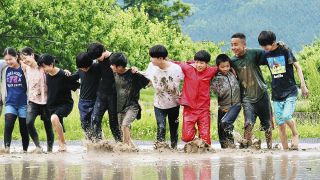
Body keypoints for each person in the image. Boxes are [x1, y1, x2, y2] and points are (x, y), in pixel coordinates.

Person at [258, 30, 309, 150]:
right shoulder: (266, 54)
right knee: (280, 124)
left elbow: (298, 67)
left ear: (273, 42)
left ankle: (295, 133)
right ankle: (285, 151)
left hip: (290, 90)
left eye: (266, 45)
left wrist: (303, 85)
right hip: (276, 93)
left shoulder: (285, 51)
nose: (264, 48)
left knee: (286, 116)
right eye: (262, 46)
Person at [230, 33, 273, 149]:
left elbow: (271, 54)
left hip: (262, 94)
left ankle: (270, 148)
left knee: (267, 125)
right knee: (248, 123)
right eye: (232, 45)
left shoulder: (254, 53)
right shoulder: (232, 61)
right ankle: (247, 148)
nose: (233, 47)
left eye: (236, 44)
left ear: (244, 45)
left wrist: (281, 48)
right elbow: (221, 68)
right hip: (247, 98)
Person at [37, 54, 79, 152]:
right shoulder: (46, 76)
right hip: (52, 105)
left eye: (44, 67)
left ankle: (62, 143)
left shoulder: (64, 75)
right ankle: (61, 143)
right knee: (55, 122)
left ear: (51, 64)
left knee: (54, 118)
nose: (43, 69)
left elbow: (76, 85)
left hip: (65, 104)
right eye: (41, 67)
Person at [176, 50, 218, 145]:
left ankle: (204, 156)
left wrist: (232, 69)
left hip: (203, 109)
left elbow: (222, 67)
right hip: (189, 108)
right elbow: (176, 63)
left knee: (206, 140)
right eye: (197, 62)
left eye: (202, 63)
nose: (199, 65)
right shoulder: (188, 69)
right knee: (186, 137)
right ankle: (195, 140)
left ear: (207, 64)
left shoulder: (211, 71)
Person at [145, 45, 183, 149]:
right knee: (161, 127)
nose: (151, 59)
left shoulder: (176, 69)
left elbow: (187, 81)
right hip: (159, 103)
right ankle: (160, 150)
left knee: (173, 128)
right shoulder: (151, 67)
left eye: (152, 57)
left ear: (161, 58)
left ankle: (174, 148)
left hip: (174, 103)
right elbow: (146, 79)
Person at [110, 52, 150, 148]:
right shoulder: (114, 73)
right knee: (123, 129)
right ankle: (133, 148)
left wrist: (137, 71)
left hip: (132, 106)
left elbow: (148, 81)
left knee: (125, 125)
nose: (111, 67)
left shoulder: (132, 74)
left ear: (119, 67)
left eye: (113, 65)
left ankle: (125, 147)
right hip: (119, 107)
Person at [19, 47, 55, 153]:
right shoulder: (25, 68)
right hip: (32, 101)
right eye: (23, 59)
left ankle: (50, 150)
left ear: (33, 55)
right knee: (29, 123)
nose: (25, 61)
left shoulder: (43, 67)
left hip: (46, 101)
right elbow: (11, 62)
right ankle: (38, 147)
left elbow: (54, 69)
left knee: (48, 127)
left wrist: (65, 71)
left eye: (26, 58)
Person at [87, 43, 122, 142]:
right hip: (101, 94)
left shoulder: (116, 58)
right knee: (94, 120)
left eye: (98, 57)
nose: (97, 59)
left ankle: (120, 144)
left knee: (113, 123)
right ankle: (99, 144)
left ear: (103, 51)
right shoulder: (97, 60)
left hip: (114, 96)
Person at [1, 47, 29, 153]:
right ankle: (6, 149)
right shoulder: (4, 69)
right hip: (10, 103)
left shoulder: (24, 68)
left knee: (23, 128)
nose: (8, 62)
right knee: (8, 125)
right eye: (6, 60)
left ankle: (25, 150)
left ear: (16, 57)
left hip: (23, 103)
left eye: (10, 59)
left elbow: (38, 65)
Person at [211, 54, 241, 149]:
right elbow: (211, 90)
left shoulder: (233, 73)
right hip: (223, 106)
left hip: (235, 105)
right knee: (221, 128)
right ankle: (226, 150)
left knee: (225, 123)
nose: (225, 69)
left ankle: (234, 143)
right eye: (222, 67)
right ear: (218, 67)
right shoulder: (216, 77)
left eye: (227, 66)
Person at [74, 52, 101, 141]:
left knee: (95, 120)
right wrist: (65, 72)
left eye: (86, 67)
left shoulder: (97, 67)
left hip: (96, 100)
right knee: (84, 123)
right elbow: (71, 78)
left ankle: (99, 141)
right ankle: (90, 142)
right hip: (83, 101)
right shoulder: (81, 69)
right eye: (81, 68)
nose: (84, 69)